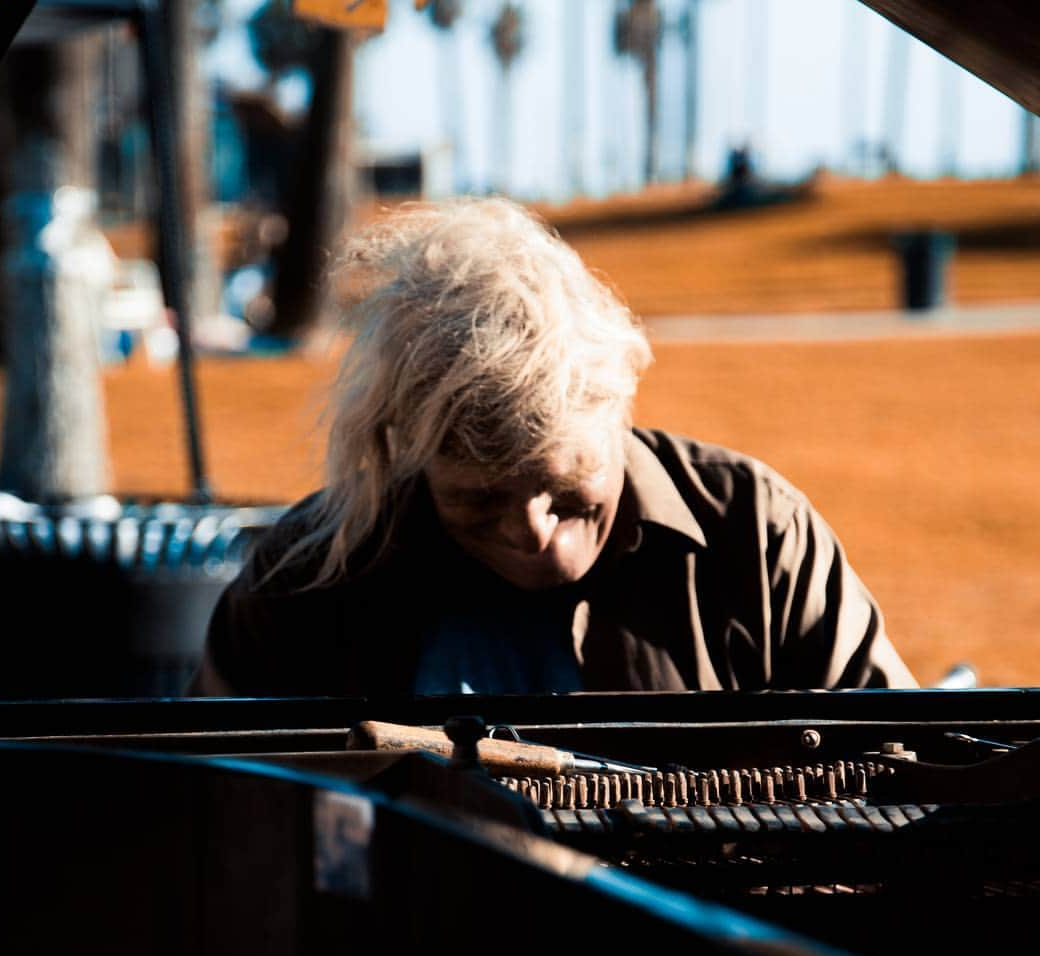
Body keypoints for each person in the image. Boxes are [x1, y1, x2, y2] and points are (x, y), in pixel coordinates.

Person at [189, 197, 914, 698]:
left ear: (618, 406)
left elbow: (901, 767)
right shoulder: (304, 585)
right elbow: (215, 823)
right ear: (404, 450)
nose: (528, 527)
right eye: (477, 496)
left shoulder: (757, 535)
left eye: (562, 486)